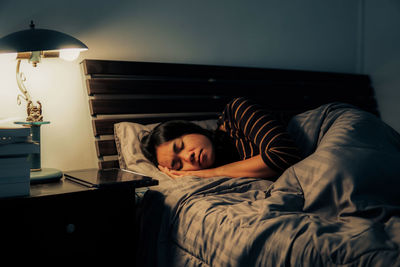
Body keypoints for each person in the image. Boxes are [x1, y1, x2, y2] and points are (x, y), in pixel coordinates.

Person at [140, 97, 301, 180]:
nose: (188, 156)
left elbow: (284, 154)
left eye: (180, 146)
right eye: (178, 164)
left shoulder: (237, 111)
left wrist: (209, 173)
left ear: (189, 130)